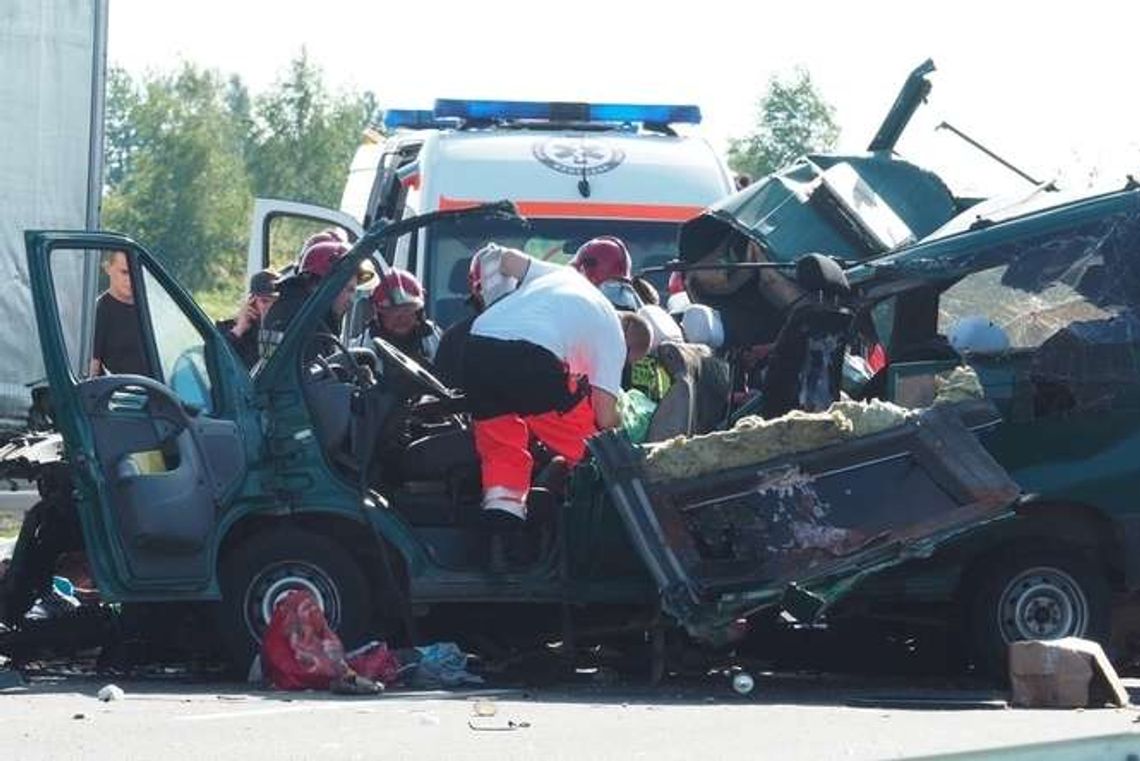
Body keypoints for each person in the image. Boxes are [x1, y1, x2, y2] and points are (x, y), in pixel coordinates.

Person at [461, 245, 652, 531]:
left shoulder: (564, 276)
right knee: (595, 453)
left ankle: (503, 533)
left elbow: (498, 256)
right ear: (627, 348)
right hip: (532, 357)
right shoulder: (612, 336)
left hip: (478, 345)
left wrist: (498, 305)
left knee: (502, 450)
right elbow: (605, 416)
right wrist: (628, 425)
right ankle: (609, 529)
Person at [258, 240, 357, 363]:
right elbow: (308, 377)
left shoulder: (302, 311)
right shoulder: (299, 320)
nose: (351, 300)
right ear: (325, 284)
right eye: (349, 289)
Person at [90, 250, 148, 377]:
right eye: (125, 272)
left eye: (135, 272)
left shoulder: (150, 308)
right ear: (107, 268)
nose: (131, 279)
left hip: (156, 389)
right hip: (119, 392)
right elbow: (91, 369)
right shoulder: (97, 312)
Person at [367, 268, 441, 367]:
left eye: (407, 310)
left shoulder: (434, 339)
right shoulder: (364, 346)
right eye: (392, 313)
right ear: (378, 316)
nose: (401, 319)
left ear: (418, 313)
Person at [216, 269, 278, 369]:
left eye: (275, 302)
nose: (270, 308)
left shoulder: (287, 327)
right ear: (252, 302)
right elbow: (217, 361)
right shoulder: (230, 330)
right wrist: (239, 329)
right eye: (265, 301)